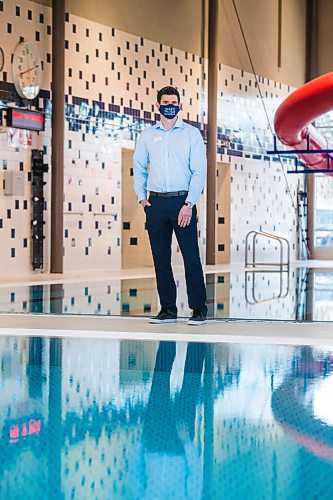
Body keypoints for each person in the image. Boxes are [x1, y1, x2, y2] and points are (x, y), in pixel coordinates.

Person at [133, 86, 208, 325]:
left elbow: (199, 171)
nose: (170, 105)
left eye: (174, 102)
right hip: (155, 203)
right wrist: (141, 198)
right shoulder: (147, 135)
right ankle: (168, 309)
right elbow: (140, 168)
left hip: (182, 202)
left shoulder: (191, 134)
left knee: (190, 257)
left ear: (180, 105)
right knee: (160, 258)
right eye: (165, 102)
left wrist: (189, 203)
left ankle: (198, 309)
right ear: (158, 105)